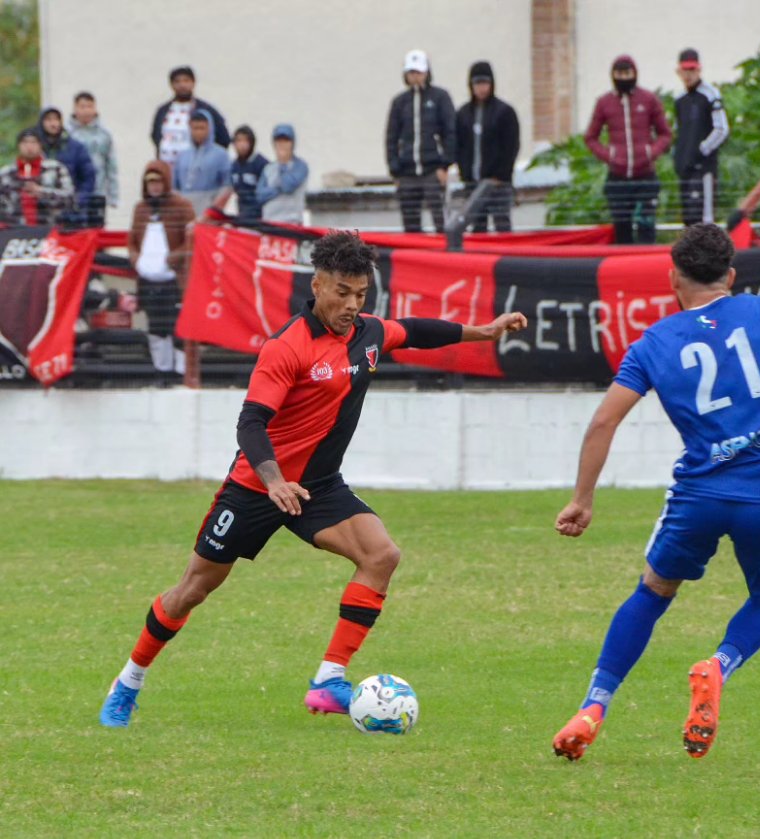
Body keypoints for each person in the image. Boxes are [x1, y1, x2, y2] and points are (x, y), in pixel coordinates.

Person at [98, 230, 528, 728]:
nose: (352, 304)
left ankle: (328, 679)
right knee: (192, 590)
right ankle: (128, 681)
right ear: (318, 284)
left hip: (319, 488)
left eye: (361, 295)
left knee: (381, 555)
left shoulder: (368, 333)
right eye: (342, 293)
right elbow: (250, 423)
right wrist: (274, 480)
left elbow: (414, 330)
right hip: (257, 489)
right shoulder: (287, 347)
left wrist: (484, 330)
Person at [550, 223, 760, 762]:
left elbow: (604, 422)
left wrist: (583, 498)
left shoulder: (654, 343)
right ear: (732, 276)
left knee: (652, 592)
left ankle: (594, 706)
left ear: (673, 278)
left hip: (699, 495)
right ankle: (717, 666)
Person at [585, 55, 672, 244]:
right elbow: (590, 137)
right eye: (619, 73)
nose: (623, 78)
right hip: (618, 178)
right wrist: (609, 155)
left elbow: (665, 134)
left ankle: (647, 268)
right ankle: (623, 270)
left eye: (627, 73)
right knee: (621, 228)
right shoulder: (604, 102)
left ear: (634, 74)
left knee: (646, 226)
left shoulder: (649, 99)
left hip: (645, 177)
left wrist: (651, 152)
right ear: (613, 75)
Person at [128, 161, 195, 375]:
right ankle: (162, 370)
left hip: (173, 282)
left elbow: (193, 240)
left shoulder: (182, 206)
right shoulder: (140, 209)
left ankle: (181, 372)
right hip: (149, 283)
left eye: (158, 182)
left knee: (178, 327)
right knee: (156, 328)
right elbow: (131, 241)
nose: (154, 187)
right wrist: (137, 260)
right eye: (150, 183)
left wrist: (172, 259)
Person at [385, 50, 457, 233]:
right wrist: (395, 170)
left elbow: (450, 132)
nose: (415, 76)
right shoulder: (400, 102)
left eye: (418, 72)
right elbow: (391, 137)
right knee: (410, 224)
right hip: (407, 172)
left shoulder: (440, 97)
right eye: (411, 72)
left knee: (441, 222)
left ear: (426, 73)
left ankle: (445, 257)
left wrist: (445, 165)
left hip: (433, 170)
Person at [454, 61, 520, 232]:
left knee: (502, 225)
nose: (482, 88)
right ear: (471, 85)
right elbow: (459, 146)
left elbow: (511, 147)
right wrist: (465, 174)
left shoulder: (505, 112)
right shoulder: (463, 114)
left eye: (485, 83)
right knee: (477, 227)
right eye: (477, 83)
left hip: (497, 184)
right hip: (472, 183)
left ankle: (505, 257)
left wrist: (500, 175)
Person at [674, 48, 729, 226]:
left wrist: (702, 149)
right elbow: (679, 131)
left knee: (704, 218)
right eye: (685, 70)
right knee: (688, 217)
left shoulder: (711, 94)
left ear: (699, 70)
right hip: (685, 169)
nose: (689, 75)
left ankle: (706, 253)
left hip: (704, 168)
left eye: (692, 70)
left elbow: (722, 129)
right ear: (679, 72)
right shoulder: (679, 99)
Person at [151, 65, 231, 165]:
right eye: (177, 81)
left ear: (193, 83)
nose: (182, 85)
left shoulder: (206, 110)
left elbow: (223, 138)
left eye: (186, 81)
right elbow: (155, 136)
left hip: (196, 170)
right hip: (166, 168)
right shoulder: (163, 111)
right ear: (171, 85)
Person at [34, 106, 95, 226]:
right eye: (48, 120)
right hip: (41, 213)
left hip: (70, 212)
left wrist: (79, 201)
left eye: (56, 119)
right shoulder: (35, 148)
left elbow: (88, 178)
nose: (53, 124)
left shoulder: (76, 148)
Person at [0, 129, 74, 225]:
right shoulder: (6, 173)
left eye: (33, 142)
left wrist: (41, 192)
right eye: (25, 142)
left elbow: (70, 197)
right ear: (19, 146)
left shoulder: (55, 168)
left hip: (50, 227)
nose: (29, 146)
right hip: (13, 229)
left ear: (40, 145)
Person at [68, 92, 118, 227]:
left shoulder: (104, 135)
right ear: (75, 108)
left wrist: (113, 194)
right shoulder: (67, 134)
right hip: (74, 193)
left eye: (89, 106)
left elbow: (111, 165)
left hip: (98, 192)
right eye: (82, 107)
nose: (86, 111)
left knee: (96, 229)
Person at [173, 110, 232, 218]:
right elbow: (174, 186)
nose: (198, 132)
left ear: (210, 129)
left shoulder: (221, 155)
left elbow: (227, 186)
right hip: (184, 212)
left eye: (202, 128)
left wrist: (214, 210)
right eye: (195, 128)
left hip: (209, 210)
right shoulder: (182, 156)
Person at [256, 124, 309, 224]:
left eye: (286, 141)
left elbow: (288, 186)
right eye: (279, 141)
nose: (282, 144)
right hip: (270, 222)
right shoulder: (268, 168)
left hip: (292, 222)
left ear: (292, 143)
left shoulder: (300, 166)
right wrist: (277, 189)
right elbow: (260, 195)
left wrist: (283, 164)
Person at [226, 125, 269, 222]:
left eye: (245, 141)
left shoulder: (262, 164)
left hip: (260, 216)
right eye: (238, 141)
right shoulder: (234, 166)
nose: (242, 145)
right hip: (242, 213)